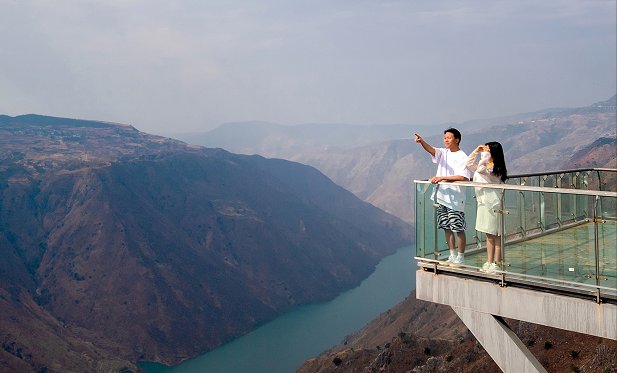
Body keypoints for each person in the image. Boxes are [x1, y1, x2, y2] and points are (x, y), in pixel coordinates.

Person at [415, 129, 471, 265]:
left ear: (457, 140)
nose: (446, 140)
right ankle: (452, 254)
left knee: (457, 227)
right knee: (446, 226)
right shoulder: (443, 153)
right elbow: (431, 150)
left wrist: (442, 178)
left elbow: (463, 177)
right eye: (444, 138)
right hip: (442, 196)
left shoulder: (463, 157)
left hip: (455, 197)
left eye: (449, 138)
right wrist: (421, 141)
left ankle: (461, 256)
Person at [466, 142, 508, 273]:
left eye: (488, 150)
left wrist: (483, 156)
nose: (485, 152)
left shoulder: (495, 168)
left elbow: (480, 170)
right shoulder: (484, 164)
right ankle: (489, 262)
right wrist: (476, 150)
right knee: (488, 234)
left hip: (494, 203)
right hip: (483, 202)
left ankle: (497, 263)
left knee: (496, 235)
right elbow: (468, 164)